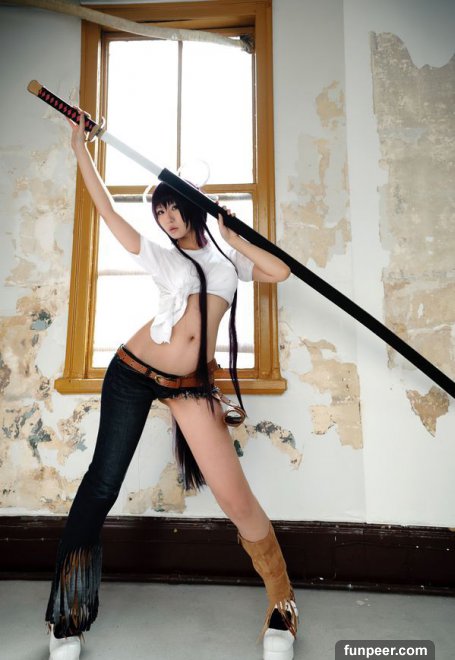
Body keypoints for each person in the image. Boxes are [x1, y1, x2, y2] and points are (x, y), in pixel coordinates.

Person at [45, 108, 299, 660]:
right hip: (133, 373)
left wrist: (234, 235)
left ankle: (282, 605)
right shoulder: (164, 258)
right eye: (159, 211)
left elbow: (280, 272)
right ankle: (66, 618)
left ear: (191, 204)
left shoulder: (228, 259)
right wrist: (80, 147)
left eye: (172, 207)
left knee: (234, 497)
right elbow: (108, 212)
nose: (166, 218)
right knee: (102, 485)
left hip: (190, 384)